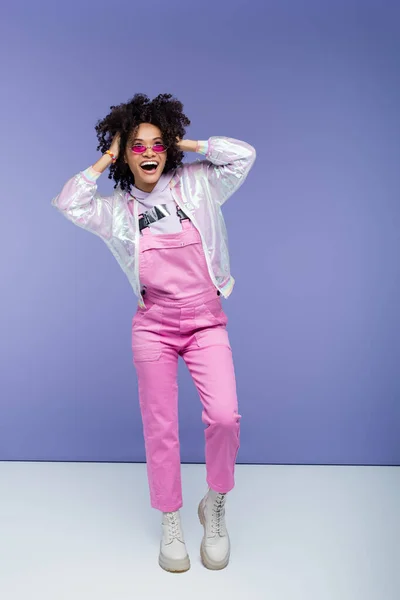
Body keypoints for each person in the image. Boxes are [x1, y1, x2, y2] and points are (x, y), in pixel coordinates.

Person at [52, 93, 256, 573]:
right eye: (137, 146)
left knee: (224, 417)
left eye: (158, 144)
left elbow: (243, 154)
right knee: (160, 428)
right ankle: (170, 517)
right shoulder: (118, 210)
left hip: (207, 320)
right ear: (125, 154)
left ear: (170, 150)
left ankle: (216, 505)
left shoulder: (199, 184)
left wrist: (184, 142)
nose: (149, 153)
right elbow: (69, 202)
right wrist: (107, 153)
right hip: (154, 327)